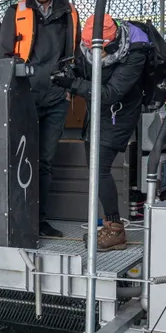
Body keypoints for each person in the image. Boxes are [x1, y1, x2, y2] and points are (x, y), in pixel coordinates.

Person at [53, 14, 149, 251]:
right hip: (96, 109)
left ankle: (115, 229)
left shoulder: (134, 53)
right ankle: (111, 226)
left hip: (119, 112)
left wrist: (74, 85)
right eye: (87, 46)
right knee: (94, 168)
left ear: (113, 40)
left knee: (100, 169)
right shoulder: (86, 46)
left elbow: (111, 93)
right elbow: (85, 72)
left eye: (98, 48)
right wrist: (69, 73)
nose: (92, 51)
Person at [0, 0, 80, 237]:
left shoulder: (69, 12)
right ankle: (14, 219)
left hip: (56, 98)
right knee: (18, 158)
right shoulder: (15, 11)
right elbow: (4, 56)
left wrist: (68, 88)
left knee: (44, 161)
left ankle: (39, 221)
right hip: (25, 97)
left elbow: (74, 55)